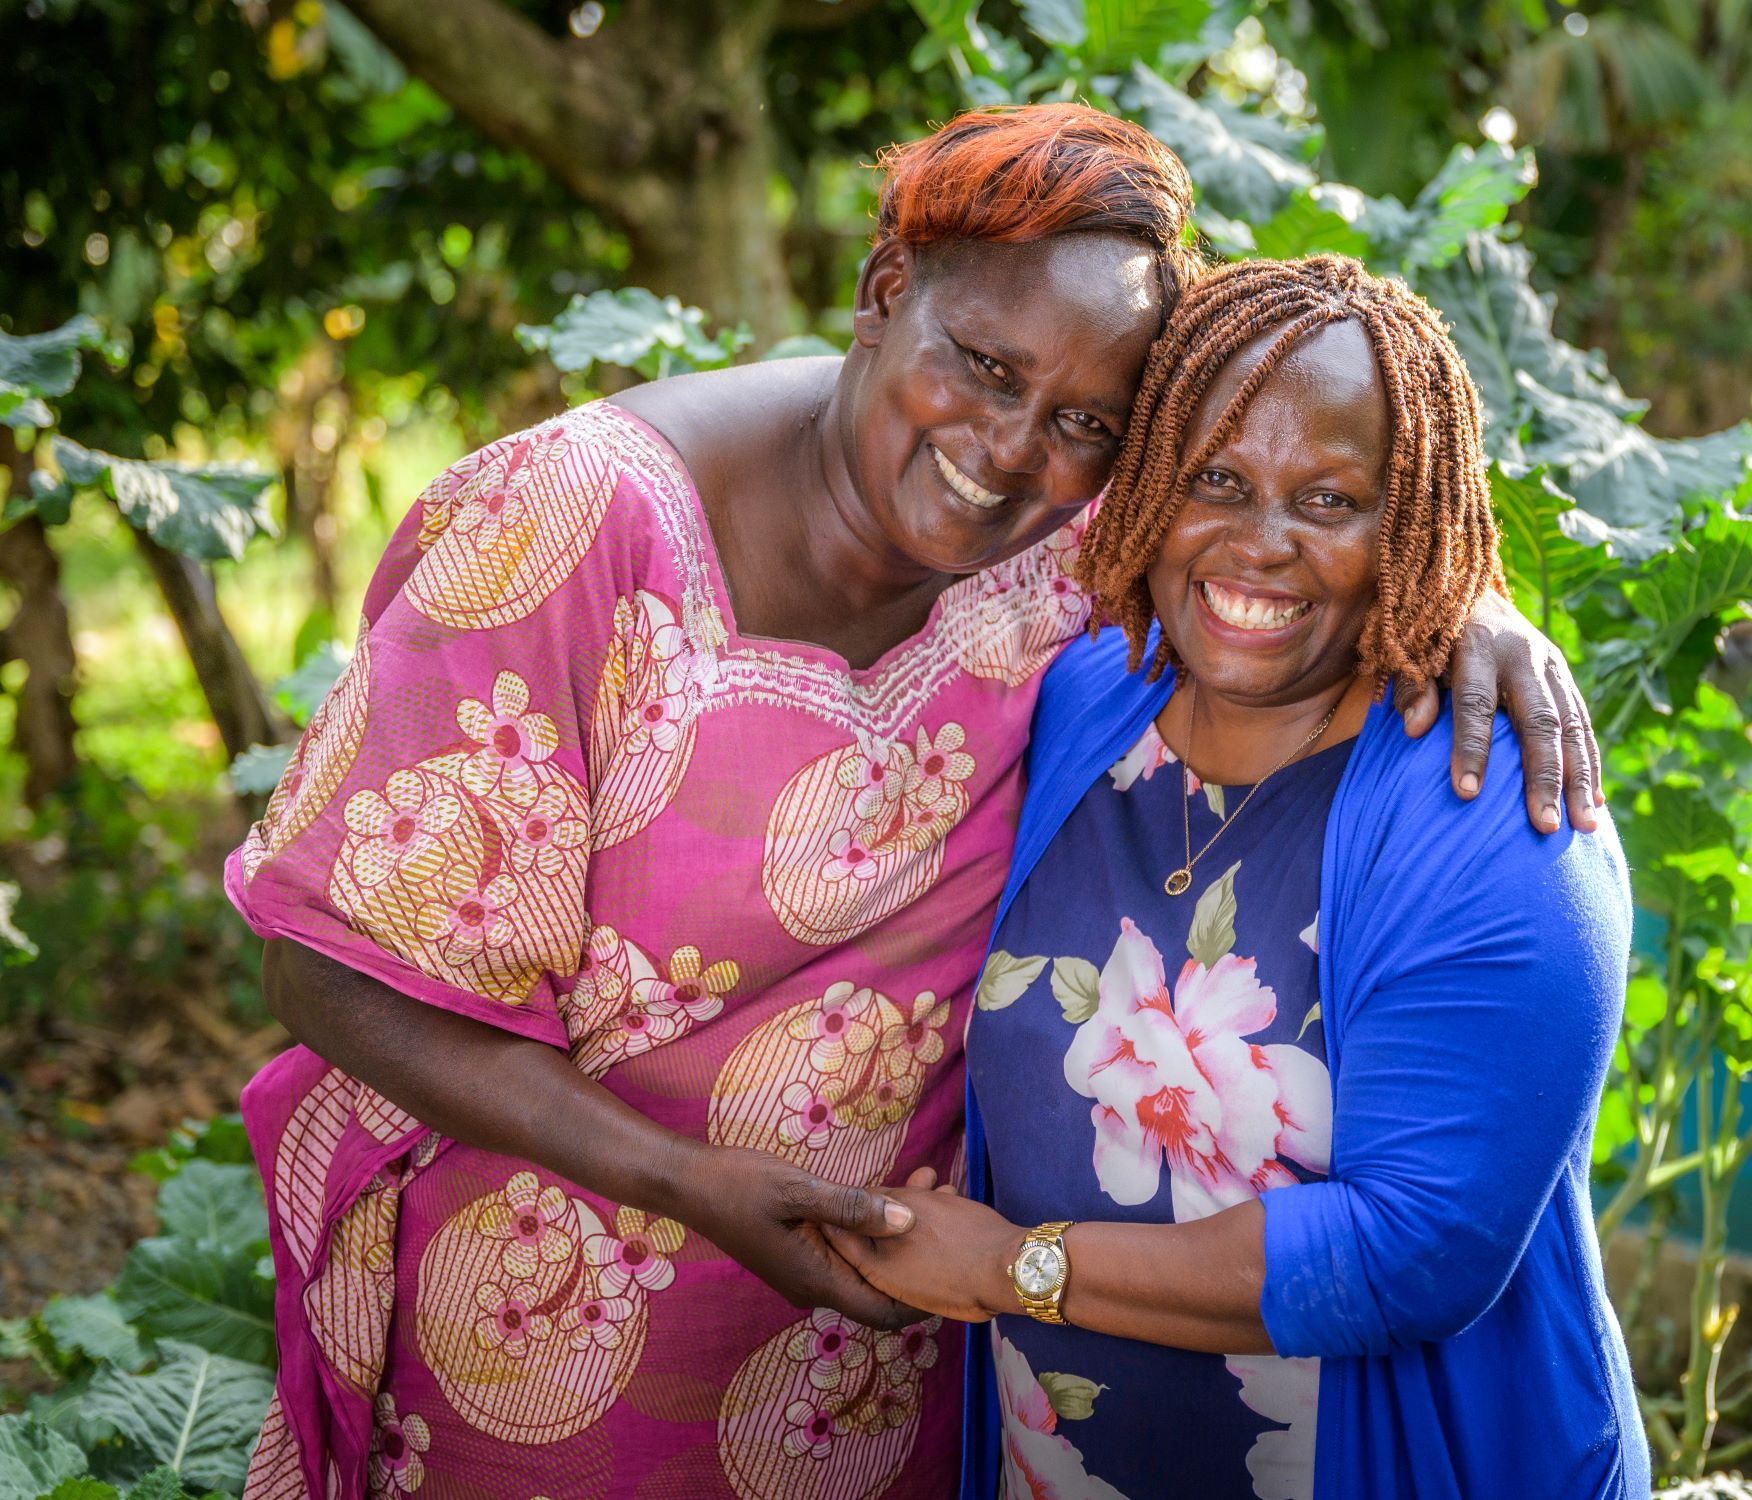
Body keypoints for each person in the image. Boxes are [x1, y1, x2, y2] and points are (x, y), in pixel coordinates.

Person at [230, 107, 1602, 1499]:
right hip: (545, 1354)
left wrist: (1464, 598)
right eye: (982, 368)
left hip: (896, 1385)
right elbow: (330, 975)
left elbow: (1296, 449)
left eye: (1080, 422)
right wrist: (681, 1179)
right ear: (885, 292)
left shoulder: (1069, 546)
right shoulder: (575, 525)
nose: (1010, 450)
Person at [825, 256, 1644, 1500]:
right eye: (1216, 481)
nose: (1259, 545)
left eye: (1330, 500)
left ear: (1408, 520)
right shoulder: (1084, 698)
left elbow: (1412, 1252)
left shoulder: (1499, 817)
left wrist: (1008, 1270)